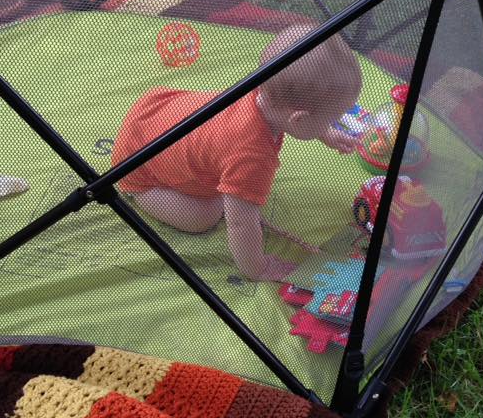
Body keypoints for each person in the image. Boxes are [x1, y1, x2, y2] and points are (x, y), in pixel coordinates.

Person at [112, 24, 363, 281]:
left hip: (155, 112)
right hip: (137, 165)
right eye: (330, 120)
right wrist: (258, 267)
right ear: (298, 119)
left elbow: (299, 117)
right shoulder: (252, 156)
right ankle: (140, 194)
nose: (333, 124)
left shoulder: (263, 91)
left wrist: (325, 133)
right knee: (205, 216)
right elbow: (240, 223)